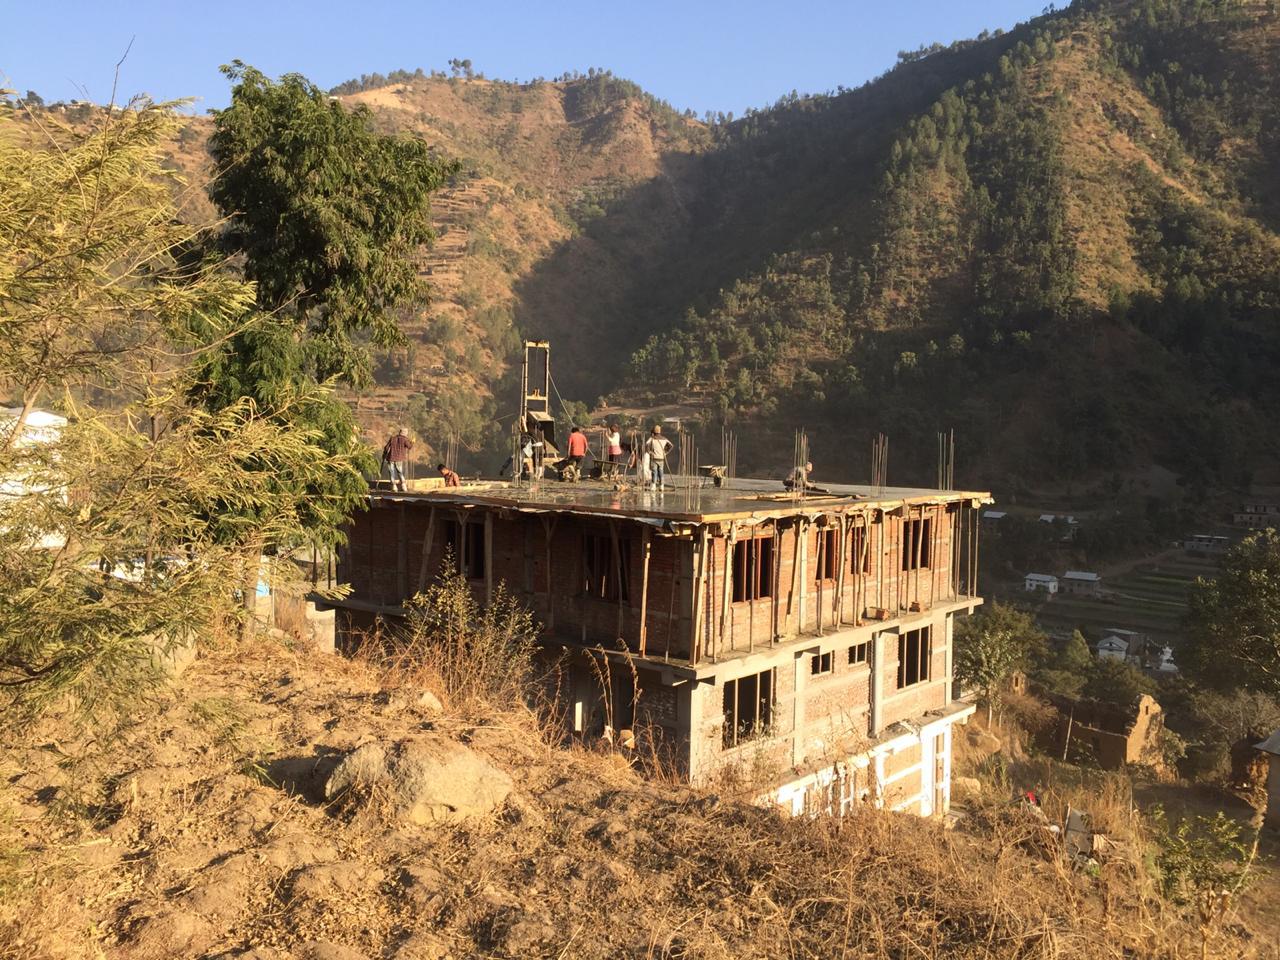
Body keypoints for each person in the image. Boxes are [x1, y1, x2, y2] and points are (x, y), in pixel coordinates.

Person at [381, 427, 413, 492]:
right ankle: (404, 486)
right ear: (405, 433)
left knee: (391, 472)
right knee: (399, 472)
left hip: (390, 458)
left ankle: (394, 487)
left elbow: (386, 448)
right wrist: (412, 442)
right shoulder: (405, 439)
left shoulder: (393, 438)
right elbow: (409, 446)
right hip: (399, 458)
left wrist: (384, 455)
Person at [645, 425, 672, 490]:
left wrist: (650, 452)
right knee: (661, 472)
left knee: (654, 472)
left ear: (653, 432)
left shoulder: (652, 438)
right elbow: (671, 446)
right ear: (660, 431)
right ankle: (661, 486)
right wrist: (665, 452)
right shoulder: (664, 439)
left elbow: (646, 444)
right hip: (661, 458)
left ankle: (653, 486)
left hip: (654, 458)